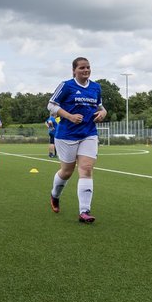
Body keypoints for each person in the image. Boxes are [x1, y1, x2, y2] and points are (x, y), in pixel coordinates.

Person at [47, 56, 107, 224]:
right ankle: (55, 195)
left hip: (89, 133)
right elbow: (51, 106)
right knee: (67, 172)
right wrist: (70, 116)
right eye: (82, 68)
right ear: (74, 70)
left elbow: (101, 108)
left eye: (88, 67)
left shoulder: (96, 87)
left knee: (86, 168)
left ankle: (84, 211)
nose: (86, 70)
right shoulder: (66, 86)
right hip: (66, 135)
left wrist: (103, 113)